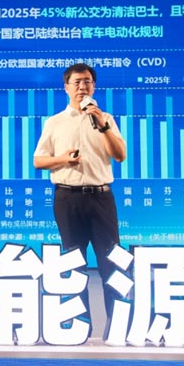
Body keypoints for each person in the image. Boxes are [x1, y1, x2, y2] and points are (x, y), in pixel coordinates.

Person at [33, 62, 126, 339]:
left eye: (87, 82)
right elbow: (39, 160)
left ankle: (118, 326)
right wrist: (63, 159)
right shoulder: (54, 122)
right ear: (66, 87)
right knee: (73, 263)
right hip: (68, 199)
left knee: (111, 262)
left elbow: (120, 155)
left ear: (94, 87)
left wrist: (103, 126)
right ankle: (79, 326)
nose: (82, 87)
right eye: (77, 82)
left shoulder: (105, 118)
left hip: (101, 198)